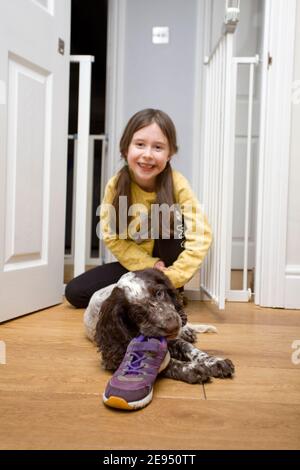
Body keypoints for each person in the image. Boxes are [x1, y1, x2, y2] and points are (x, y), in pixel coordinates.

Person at [65, 108, 212, 309]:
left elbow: (200, 235)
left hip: (168, 266)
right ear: (126, 149)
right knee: (75, 292)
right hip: (138, 265)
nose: (148, 154)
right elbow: (111, 236)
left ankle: (163, 290)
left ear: (170, 154)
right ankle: (150, 294)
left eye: (158, 147)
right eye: (140, 145)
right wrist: (148, 264)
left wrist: (174, 276)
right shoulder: (116, 185)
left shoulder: (177, 183)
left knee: (171, 222)